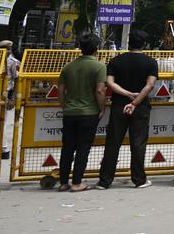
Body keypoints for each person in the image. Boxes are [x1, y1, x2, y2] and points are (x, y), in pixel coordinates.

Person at [97, 30, 158, 189]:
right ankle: (139, 179)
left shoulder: (116, 61)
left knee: (113, 143)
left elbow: (110, 83)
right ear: (144, 45)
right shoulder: (151, 62)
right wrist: (135, 102)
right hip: (140, 108)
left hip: (118, 106)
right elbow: (149, 85)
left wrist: (127, 94)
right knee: (138, 143)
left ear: (129, 43)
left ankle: (104, 181)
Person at [56, 33, 106, 192]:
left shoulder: (68, 66)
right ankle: (77, 182)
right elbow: (99, 90)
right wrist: (102, 108)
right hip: (89, 113)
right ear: (96, 49)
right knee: (83, 148)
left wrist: (65, 106)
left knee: (67, 147)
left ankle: (63, 182)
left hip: (70, 113)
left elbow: (61, 90)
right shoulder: (99, 66)